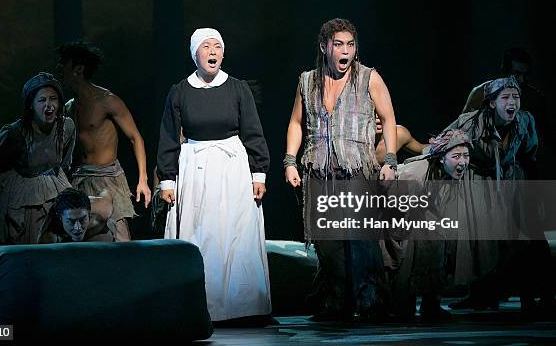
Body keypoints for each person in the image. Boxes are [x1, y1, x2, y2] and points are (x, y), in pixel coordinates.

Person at [284, 18, 397, 321]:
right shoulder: (307, 81)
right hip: (319, 172)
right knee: (329, 247)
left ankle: (372, 304)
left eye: (350, 44)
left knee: (362, 244)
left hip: (357, 169)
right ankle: (335, 304)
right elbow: (296, 122)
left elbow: (387, 118)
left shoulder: (368, 78)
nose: (345, 50)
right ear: (325, 47)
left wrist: (390, 160)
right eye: (338, 44)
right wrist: (290, 160)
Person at [157, 28, 271, 323]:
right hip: (195, 169)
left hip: (232, 169)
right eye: (206, 46)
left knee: (236, 235)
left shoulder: (237, 88)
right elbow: (169, 137)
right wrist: (167, 180)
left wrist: (258, 173)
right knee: (201, 236)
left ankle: (241, 307)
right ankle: (202, 306)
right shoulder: (179, 91)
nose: (212, 51)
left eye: (217, 46)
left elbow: (253, 131)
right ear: (194, 53)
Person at [446, 77, 553, 314]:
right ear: (492, 103)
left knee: (525, 238)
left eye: (515, 97)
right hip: (479, 180)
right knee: (481, 240)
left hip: (510, 179)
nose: (512, 102)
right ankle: (481, 295)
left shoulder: (524, 120)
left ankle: (535, 295)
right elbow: (444, 145)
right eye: (505, 98)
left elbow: (529, 152)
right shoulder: (471, 122)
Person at [56, 41, 151, 242]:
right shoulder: (69, 108)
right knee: (80, 237)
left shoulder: (107, 100)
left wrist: (143, 180)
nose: (59, 70)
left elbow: (136, 138)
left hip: (108, 178)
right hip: (80, 178)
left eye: (63, 65)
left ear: (78, 69)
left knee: (119, 237)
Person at [0, 72, 75, 245]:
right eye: (42, 100)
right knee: (31, 242)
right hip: (24, 193)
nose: (49, 105)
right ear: (31, 105)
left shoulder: (66, 127)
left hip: (56, 186)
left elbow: (66, 163)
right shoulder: (15, 133)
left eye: (53, 99)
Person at [393, 129, 473, 321]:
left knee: (439, 247)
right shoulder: (415, 173)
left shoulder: (448, 174)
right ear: (441, 157)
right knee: (408, 255)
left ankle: (431, 304)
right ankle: (402, 305)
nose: (462, 162)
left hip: (424, 214)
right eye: (456, 156)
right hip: (399, 217)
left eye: (466, 156)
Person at [38, 188, 116, 243]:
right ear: (60, 218)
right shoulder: (48, 234)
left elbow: (106, 192)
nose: (78, 227)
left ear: (89, 214)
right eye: (71, 221)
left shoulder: (103, 209)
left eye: (82, 220)